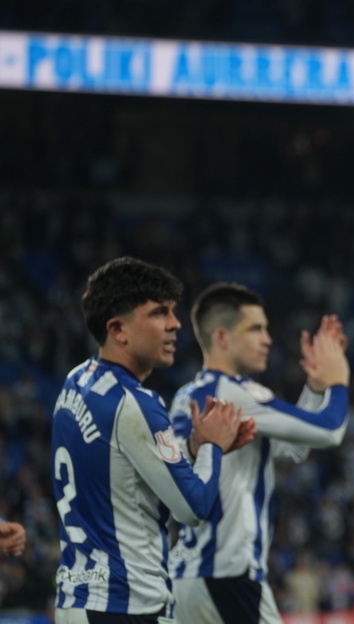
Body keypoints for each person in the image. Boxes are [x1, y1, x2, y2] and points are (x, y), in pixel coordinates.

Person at [52, 256, 249, 624]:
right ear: (118, 329)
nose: (175, 325)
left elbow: (120, 471)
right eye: (159, 313)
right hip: (126, 605)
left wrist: (189, 450)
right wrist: (211, 447)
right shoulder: (134, 402)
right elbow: (192, 509)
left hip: (75, 600)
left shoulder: (75, 382)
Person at [168, 282, 351, 624]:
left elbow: (292, 451)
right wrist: (338, 382)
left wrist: (314, 388)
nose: (267, 339)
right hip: (227, 574)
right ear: (221, 337)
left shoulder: (189, 394)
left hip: (187, 576)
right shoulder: (234, 393)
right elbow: (329, 431)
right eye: (255, 329)